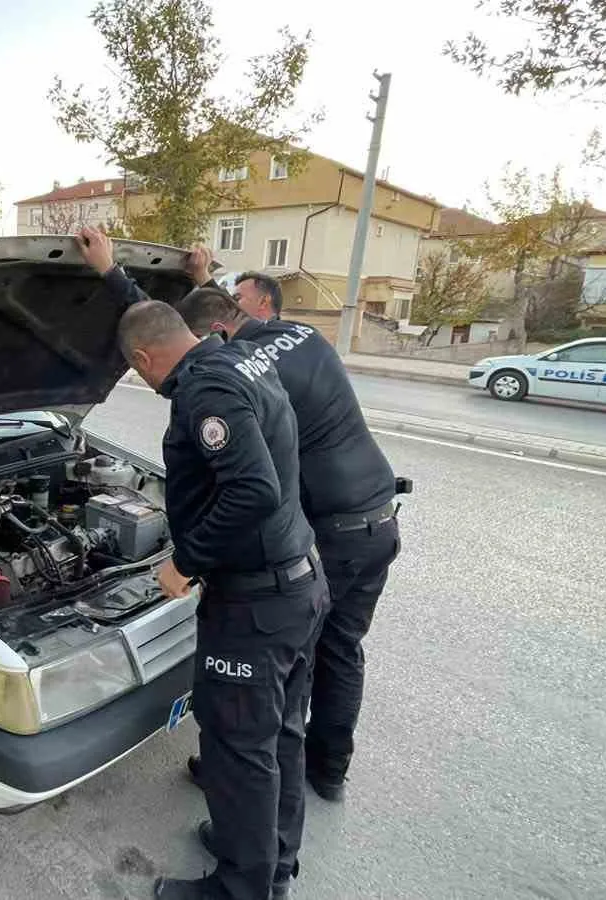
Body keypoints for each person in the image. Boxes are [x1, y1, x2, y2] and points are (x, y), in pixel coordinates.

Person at [77, 227, 328, 900]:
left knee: (239, 746)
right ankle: (272, 860)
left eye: (137, 369)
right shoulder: (237, 354)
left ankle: (243, 888)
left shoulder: (203, 392)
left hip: (256, 604)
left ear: (142, 360)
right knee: (280, 735)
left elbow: (252, 490)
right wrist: (111, 275)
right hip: (300, 583)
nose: (144, 380)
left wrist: (183, 562)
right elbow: (155, 322)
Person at [175, 277, 403, 803]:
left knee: (286, 662)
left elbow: (249, 483)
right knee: (342, 649)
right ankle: (328, 772)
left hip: (335, 530)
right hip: (379, 516)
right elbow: (221, 310)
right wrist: (203, 280)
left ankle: (248, 775)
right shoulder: (300, 334)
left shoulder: (247, 366)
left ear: (218, 333)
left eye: (203, 344)